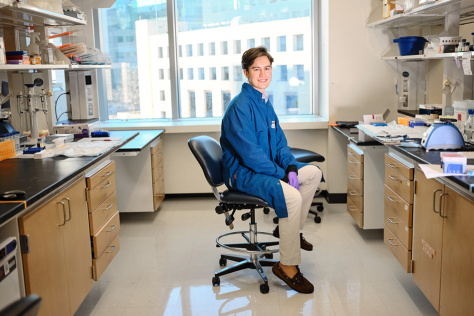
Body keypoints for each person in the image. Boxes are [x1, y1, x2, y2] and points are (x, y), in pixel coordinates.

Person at [220, 46, 322, 294]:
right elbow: (250, 155)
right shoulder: (240, 106)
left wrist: (289, 165)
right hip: (243, 173)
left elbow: (279, 142)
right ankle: (286, 266)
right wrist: (281, 174)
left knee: (312, 173)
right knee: (292, 195)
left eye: (267, 68)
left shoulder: (264, 101)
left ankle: (289, 231)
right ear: (246, 72)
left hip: (264, 167)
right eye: (257, 69)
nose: (263, 74)